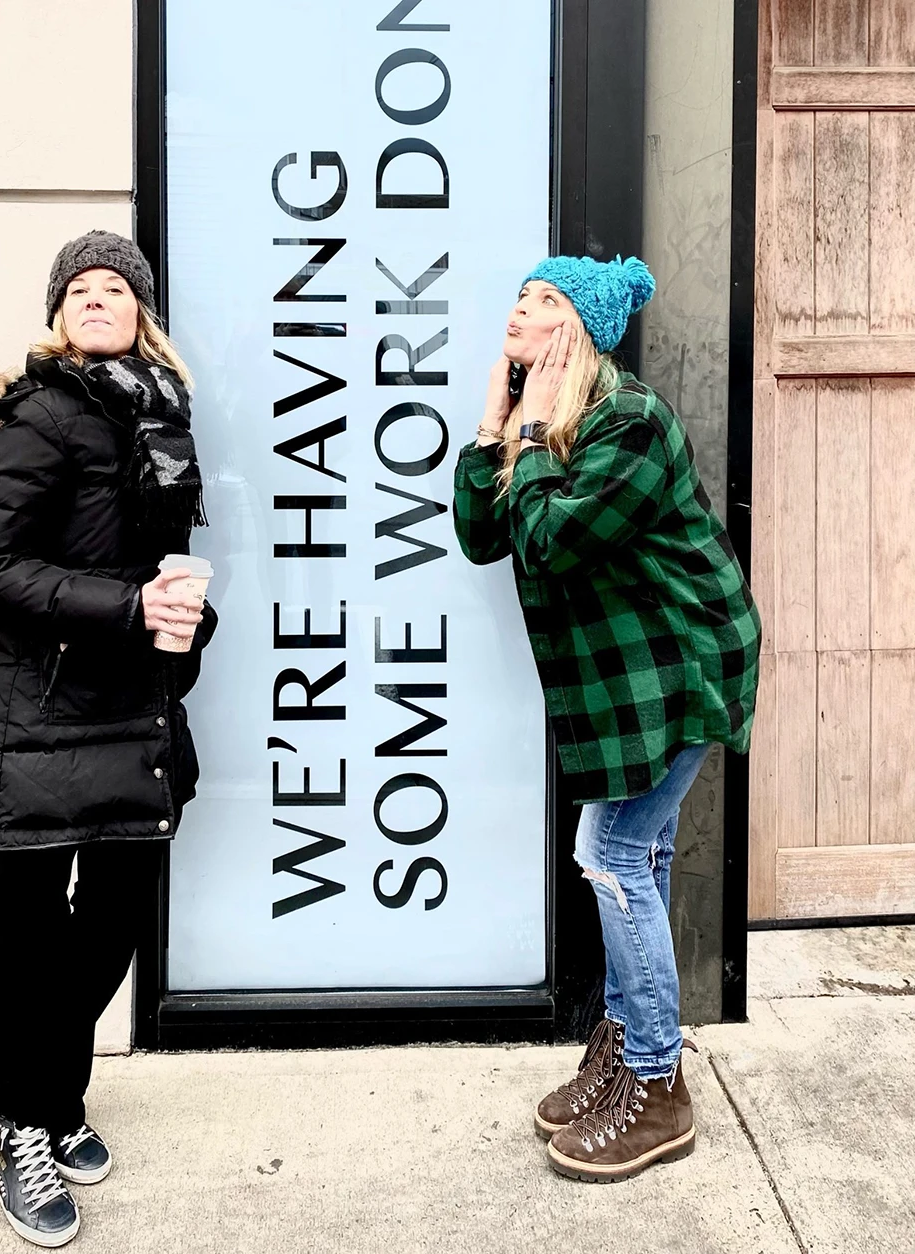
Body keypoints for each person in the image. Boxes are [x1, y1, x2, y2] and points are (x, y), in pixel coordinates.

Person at [0, 230, 216, 1246]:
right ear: (60, 314)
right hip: (41, 707)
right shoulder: (35, 414)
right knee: (30, 916)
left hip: (133, 703)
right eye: (79, 289)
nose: (96, 298)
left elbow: (159, 567)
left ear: (141, 312)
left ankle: (50, 1091)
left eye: (116, 288)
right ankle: (17, 1116)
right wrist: (130, 607)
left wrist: (182, 623)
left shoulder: (161, 419)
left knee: (117, 913)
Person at [453, 254, 761, 1183]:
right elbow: (479, 536)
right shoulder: (546, 426)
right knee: (641, 855)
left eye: (544, 301)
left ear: (576, 332)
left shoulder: (626, 422)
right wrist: (492, 425)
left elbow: (551, 539)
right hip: (625, 675)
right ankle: (627, 1055)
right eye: (520, 293)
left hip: (682, 666)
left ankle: (659, 1083)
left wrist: (533, 430)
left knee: (613, 854)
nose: (520, 308)